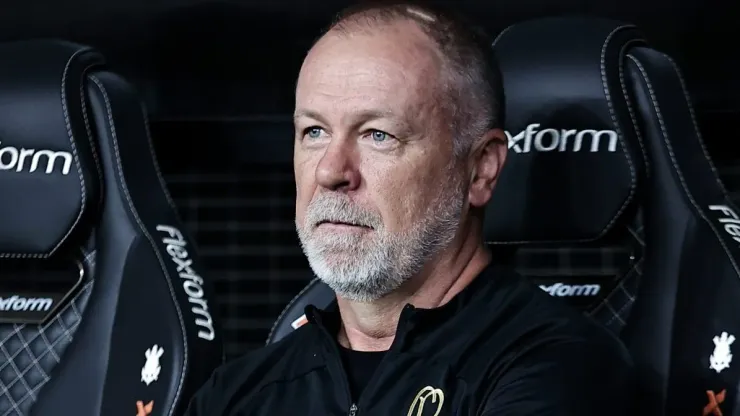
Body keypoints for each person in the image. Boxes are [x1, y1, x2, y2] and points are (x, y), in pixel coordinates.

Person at [185, 2, 636, 415]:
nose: (331, 171)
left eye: (377, 134)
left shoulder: (560, 366)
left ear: (481, 169)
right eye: (314, 132)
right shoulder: (238, 394)